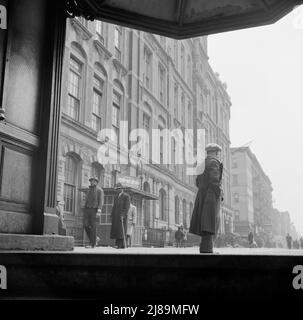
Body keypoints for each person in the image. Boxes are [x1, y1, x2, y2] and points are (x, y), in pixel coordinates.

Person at [189, 143, 223, 254]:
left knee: (205, 222)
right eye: (218, 153)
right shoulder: (214, 162)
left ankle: (205, 248)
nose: (218, 155)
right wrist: (219, 193)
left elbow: (197, 182)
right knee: (211, 221)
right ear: (215, 152)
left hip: (202, 194)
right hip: (211, 195)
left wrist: (203, 190)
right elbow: (214, 180)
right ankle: (208, 249)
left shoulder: (202, 163)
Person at [84, 176, 104, 248]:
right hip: (87, 209)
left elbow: (101, 201)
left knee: (93, 227)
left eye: (93, 181)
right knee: (86, 226)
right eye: (91, 181)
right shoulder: (88, 189)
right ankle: (95, 238)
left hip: (94, 210)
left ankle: (92, 244)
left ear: (96, 182)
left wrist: (99, 210)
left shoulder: (99, 190)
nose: (92, 182)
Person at [110, 183, 131, 249]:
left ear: (122, 189)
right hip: (116, 215)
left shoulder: (126, 196)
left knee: (121, 230)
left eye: (118, 189)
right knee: (117, 229)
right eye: (116, 189)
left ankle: (120, 244)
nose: (117, 190)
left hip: (122, 216)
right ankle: (118, 244)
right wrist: (112, 214)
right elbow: (114, 206)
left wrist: (123, 215)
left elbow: (127, 207)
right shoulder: (116, 196)